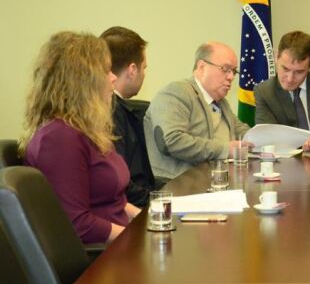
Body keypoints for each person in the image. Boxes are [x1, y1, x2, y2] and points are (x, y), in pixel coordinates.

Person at [19, 31, 140, 243]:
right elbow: (77, 224)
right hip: (100, 262)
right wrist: (137, 241)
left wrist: (147, 221)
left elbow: (115, 201)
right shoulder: (59, 138)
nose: (113, 77)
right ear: (81, 81)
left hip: (117, 248)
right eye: (105, 71)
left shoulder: (86, 130)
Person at [145, 41, 251, 179]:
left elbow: (241, 131)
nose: (231, 77)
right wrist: (225, 150)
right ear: (202, 67)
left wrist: (267, 140)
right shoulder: (177, 92)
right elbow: (171, 141)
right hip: (180, 183)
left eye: (233, 71)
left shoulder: (221, 103)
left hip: (217, 180)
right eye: (225, 69)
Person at [101, 26, 158, 207]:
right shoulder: (110, 111)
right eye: (144, 68)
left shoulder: (114, 109)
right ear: (132, 70)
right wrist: (158, 202)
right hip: (134, 210)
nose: (144, 74)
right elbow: (121, 183)